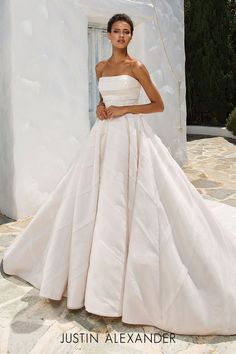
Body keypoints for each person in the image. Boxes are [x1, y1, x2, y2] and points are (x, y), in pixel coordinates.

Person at [2, 13, 236, 336]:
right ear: (110, 34)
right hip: (103, 138)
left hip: (131, 137)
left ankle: (124, 284)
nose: (122, 36)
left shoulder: (136, 67)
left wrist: (126, 109)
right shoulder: (100, 67)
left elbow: (158, 104)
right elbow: (103, 98)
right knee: (96, 202)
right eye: (117, 31)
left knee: (130, 201)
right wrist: (101, 106)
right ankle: (94, 278)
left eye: (127, 32)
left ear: (129, 36)